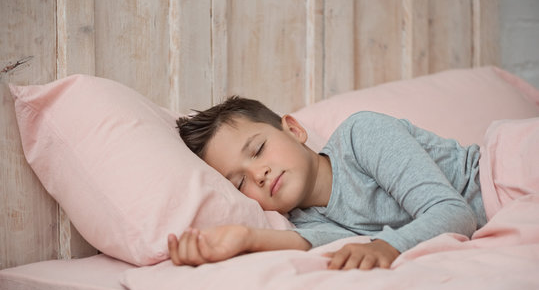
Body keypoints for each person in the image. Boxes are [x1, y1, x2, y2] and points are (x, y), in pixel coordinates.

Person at [168, 96, 487, 270]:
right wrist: (244, 238)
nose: (258, 174)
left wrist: (390, 247)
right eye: (239, 183)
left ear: (293, 130)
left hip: (501, 173)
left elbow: (454, 212)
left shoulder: (361, 136)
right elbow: (314, 243)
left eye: (258, 149)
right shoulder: (306, 222)